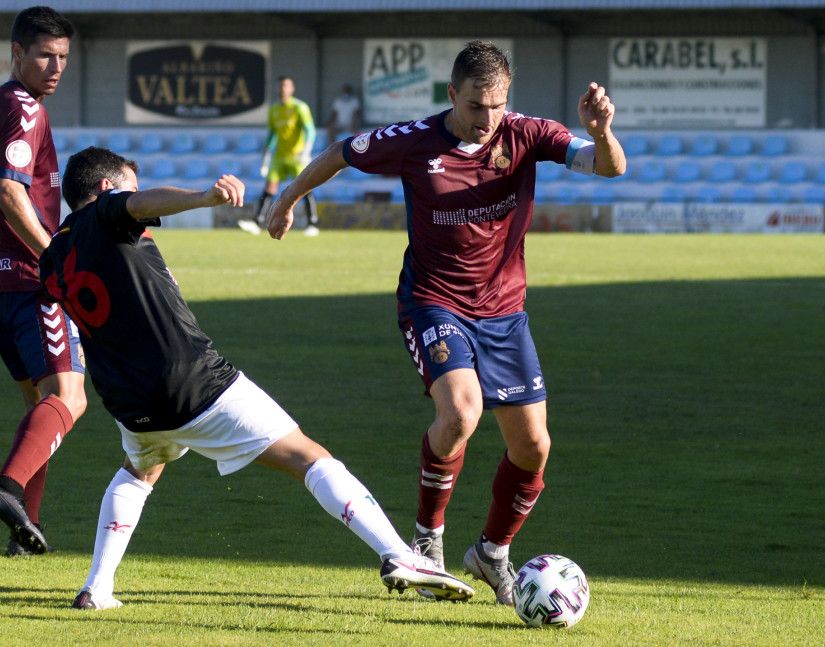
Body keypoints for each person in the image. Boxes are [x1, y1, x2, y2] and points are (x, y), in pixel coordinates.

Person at [263, 41, 626, 605]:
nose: (488, 119)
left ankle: (491, 553)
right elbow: (339, 151)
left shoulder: (527, 134)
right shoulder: (412, 141)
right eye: (477, 105)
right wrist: (288, 199)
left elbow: (610, 167)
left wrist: (601, 130)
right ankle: (426, 542)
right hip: (434, 301)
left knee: (533, 447)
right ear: (452, 94)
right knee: (460, 411)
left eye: (498, 106)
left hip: (504, 311)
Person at [41, 146, 475, 610]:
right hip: (191, 381)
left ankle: (97, 588)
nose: (136, 194)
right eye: (130, 184)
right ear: (106, 189)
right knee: (308, 457)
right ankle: (399, 555)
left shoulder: (54, 255)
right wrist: (204, 197)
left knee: (140, 471)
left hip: (128, 401)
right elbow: (139, 204)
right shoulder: (108, 212)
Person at [0, 6, 84, 556]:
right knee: (70, 396)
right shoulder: (26, 108)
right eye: (45, 55)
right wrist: (55, 257)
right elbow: (9, 192)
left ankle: (25, 527)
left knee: (39, 405)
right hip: (29, 281)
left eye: (63, 57)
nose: (55, 66)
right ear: (17, 52)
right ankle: (8, 489)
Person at [237, 76, 319, 236]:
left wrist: (306, 151)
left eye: (286, 86)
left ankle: (313, 224)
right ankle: (256, 222)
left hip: (297, 156)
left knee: (305, 189)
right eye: (280, 86)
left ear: (292, 89)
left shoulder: (299, 107)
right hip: (279, 156)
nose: (283, 89)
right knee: (269, 188)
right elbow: (272, 135)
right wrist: (266, 158)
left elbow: (310, 130)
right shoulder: (274, 109)